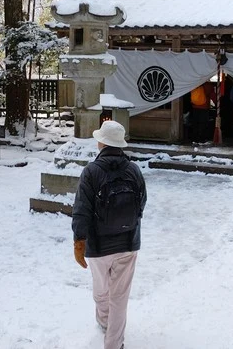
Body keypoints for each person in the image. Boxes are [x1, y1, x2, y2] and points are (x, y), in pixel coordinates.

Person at [72, 120, 147, 349]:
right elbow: (141, 202)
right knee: (120, 297)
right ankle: (114, 343)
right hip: (128, 243)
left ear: (102, 142)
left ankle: (105, 321)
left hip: (98, 245)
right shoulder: (133, 169)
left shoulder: (91, 172)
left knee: (101, 290)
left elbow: (81, 208)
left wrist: (79, 241)